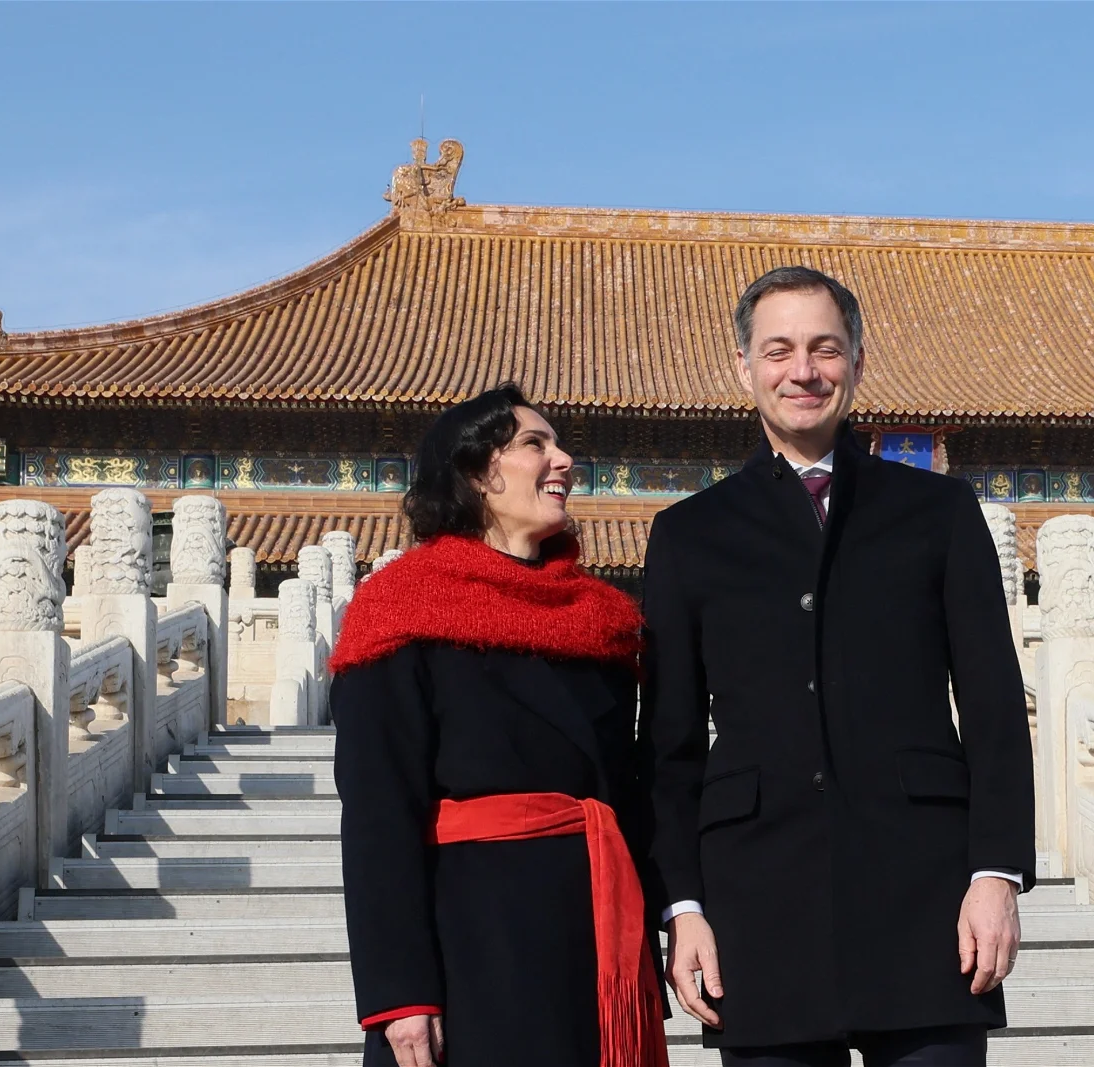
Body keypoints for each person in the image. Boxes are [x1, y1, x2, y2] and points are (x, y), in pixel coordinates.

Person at [640, 267, 1036, 1066]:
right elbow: (669, 745)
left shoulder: (938, 512)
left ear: (857, 360)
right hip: (757, 898)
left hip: (925, 893)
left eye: (825, 348)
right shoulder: (689, 534)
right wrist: (682, 905)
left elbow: (994, 705)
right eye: (778, 350)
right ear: (744, 367)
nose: (804, 371)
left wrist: (995, 872)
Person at [331, 383, 668, 1067]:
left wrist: (673, 914)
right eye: (535, 445)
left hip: (593, 932)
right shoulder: (400, 607)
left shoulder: (600, 619)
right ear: (478, 473)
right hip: (472, 944)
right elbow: (378, 813)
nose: (564, 460)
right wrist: (400, 991)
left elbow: (635, 791)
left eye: (559, 444)